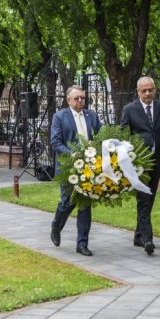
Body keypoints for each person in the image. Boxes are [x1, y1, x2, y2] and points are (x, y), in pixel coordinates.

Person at [120, 76, 160, 255]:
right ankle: (147, 240)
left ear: (155, 90)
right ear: (138, 92)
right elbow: (123, 134)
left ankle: (138, 235)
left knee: (150, 198)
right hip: (139, 163)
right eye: (144, 91)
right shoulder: (129, 109)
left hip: (158, 160)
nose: (148, 93)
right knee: (143, 198)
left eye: (151, 90)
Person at [50, 85, 102, 256]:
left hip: (89, 168)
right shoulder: (59, 117)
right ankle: (56, 226)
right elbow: (56, 142)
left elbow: (100, 137)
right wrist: (72, 154)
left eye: (82, 98)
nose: (80, 101)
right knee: (67, 202)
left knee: (85, 205)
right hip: (68, 168)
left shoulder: (92, 116)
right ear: (68, 100)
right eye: (77, 98)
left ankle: (82, 243)